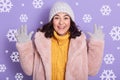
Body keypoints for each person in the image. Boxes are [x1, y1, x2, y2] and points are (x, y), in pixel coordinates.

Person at [15, 1, 104, 80]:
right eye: (57, 18)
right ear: (52, 21)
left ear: (71, 21)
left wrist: (96, 46)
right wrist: (24, 47)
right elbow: (29, 71)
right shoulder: (40, 42)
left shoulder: (80, 43)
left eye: (66, 18)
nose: (61, 22)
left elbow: (92, 71)